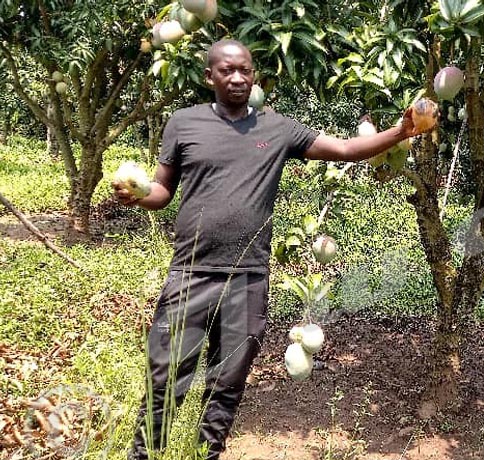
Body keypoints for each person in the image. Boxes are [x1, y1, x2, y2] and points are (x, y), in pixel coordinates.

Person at [114, 39, 427, 459]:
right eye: (227, 70)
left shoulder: (276, 128)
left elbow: (347, 149)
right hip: (191, 273)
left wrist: (401, 132)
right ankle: (144, 455)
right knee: (167, 376)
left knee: (227, 381)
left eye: (245, 69)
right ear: (210, 76)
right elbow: (163, 190)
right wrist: (138, 196)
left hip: (248, 278)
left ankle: (205, 454)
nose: (238, 77)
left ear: (254, 74)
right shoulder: (183, 123)